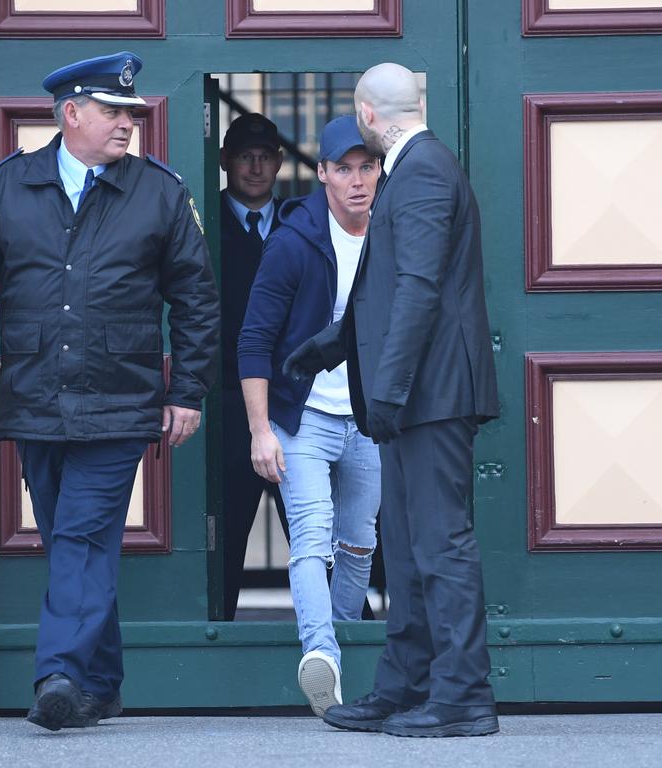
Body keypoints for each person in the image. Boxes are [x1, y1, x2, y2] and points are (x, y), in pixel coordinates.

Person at [0, 51, 219, 732]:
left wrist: (189, 391)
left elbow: (197, 300)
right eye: (114, 112)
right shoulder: (7, 187)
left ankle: (58, 674)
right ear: (71, 114)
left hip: (121, 400)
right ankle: (104, 683)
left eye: (132, 113)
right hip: (35, 398)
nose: (129, 124)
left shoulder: (159, 191)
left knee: (84, 535)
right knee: (74, 539)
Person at [284, 62, 500, 738]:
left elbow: (419, 289)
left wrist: (388, 386)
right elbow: (388, 288)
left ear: (369, 116)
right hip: (415, 396)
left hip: (431, 395)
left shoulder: (425, 171)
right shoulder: (411, 171)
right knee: (405, 551)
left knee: (441, 546)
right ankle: (405, 686)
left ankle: (463, 696)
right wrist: (331, 345)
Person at [238, 116, 382, 717]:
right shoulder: (293, 242)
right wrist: (260, 429)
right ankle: (319, 651)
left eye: (366, 167)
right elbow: (253, 340)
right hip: (304, 418)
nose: (356, 181)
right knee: (313, 537)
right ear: (321, 173)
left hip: (371, 418)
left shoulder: (394, 234)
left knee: (359, 545)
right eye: (342, 169)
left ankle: (337, 653)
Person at [218, 112, 290, 620]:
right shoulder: (198, 225)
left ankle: (348, 642)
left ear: (281, 163)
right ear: (225, 161)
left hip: (293, 402)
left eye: (265, 156)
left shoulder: (301, 224)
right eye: (246, 155)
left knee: (317, 535)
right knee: (223, 537)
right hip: (222, 401)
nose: (256, 166)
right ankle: (214, 641)